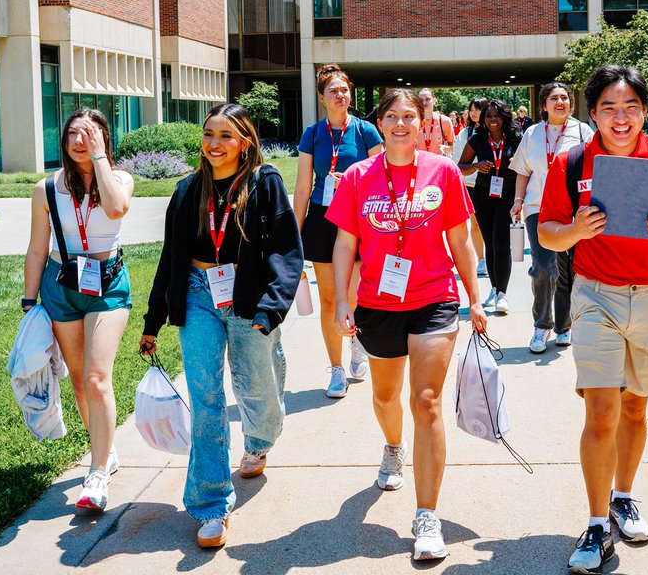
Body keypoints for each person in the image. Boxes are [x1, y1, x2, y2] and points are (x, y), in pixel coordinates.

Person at [538, 65, 648, 572]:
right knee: (600, 411)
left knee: (635, 410)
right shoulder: (571, 161)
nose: (621, 118)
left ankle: (622, 497)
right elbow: (548, 233)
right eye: (609, 109)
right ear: (591, 113)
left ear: (645, 111)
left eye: (631, 107)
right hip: (596, 298)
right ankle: (596, 527)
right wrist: (574, 230)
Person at [329, 87, 486, 562]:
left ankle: (426, 515)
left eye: (410, 116)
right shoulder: (358, 176)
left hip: (435, 299)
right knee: (384, 396)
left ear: (424, 123)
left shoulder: (443, 172)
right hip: (377, 304)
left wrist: (475, 298)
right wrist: (341, 301)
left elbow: (459, 240)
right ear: (380, 123)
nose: (401, 124)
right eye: (392, 116)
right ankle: (393, 446)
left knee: (427, 400)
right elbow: (343, 244)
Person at [140, 103, 303, 549]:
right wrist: (153, 320)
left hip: (249, 296)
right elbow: (169, 259)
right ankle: (211, 504)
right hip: (197, 293)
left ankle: (260, 439)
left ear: (245, 141)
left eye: (226, 136)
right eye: (209, 134)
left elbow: (287, 251)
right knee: (206, 397)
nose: (215, 144)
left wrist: (272, 308)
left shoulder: (264, 183)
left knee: (257, 387)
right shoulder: (187, 189)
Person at [22, 108, 135, 513]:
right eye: (73, 133)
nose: (79, 141)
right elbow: (37, 248)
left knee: (96, 377)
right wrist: (29, 302)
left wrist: (100, 159)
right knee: (77, 380)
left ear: (104, 138)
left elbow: (117, 209)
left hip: (107, 284)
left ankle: (98, 472)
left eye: (89, 133)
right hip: (62, 285)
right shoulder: (47, 188)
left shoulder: (119, 179)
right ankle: (104, 448)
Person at [294, 64, 384, 398]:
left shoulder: (366, 131)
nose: (340, 95)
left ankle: (357, 342)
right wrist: (294, 234)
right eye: (333, 90)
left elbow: (382, 177)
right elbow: (303, 188)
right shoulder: (312, 134)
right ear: (322, 98)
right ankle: (335, 369)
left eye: (344, 89)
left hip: (359, 218)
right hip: (321, 218)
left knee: (356, 294)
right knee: (330, 298)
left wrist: (351, 181)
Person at [509, 82, 591, 353]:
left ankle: (564, 326)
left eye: (565, 98)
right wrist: (518, 202)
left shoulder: (582, 131)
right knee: (545, 266)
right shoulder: (532, 133)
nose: (560, 102)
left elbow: (594, 168)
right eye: (554, 98)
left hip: (572, 210)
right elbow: (523, 170)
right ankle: (542, 325)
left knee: (568, 269)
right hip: (537, 209)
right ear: (543, 105)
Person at [458, 99, 522, 313]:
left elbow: (527, 168)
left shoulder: (517, 138)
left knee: (502, 243)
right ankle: (495, 289)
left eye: (497, 115)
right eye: (489, 116)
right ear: (483, 119)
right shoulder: (477, 140)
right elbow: (461, 167)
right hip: (484, 195)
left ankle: (502, 294)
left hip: (508, 196)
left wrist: (521, 199)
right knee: (491, 245)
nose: (493, 120)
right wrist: (476, 166)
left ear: (504, 117)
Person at [452, 97, 489, 278]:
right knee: (475, 223)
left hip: (491, 183)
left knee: (490, 223)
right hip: (470, 183)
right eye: (472, 109)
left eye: (479, 109)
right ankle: (481, 259)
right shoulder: (465, 133)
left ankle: (492, 255)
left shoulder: (495, 130)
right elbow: (458, 159)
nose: (475, 113)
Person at [416, 87, 455, 155]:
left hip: (438, 163)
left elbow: (454, 148)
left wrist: (444, 149)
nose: (424, 102)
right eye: (421, 100)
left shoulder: (444, 121)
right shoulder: (413, 121)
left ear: (434, 101)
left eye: (428, 99)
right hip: (419, 163)